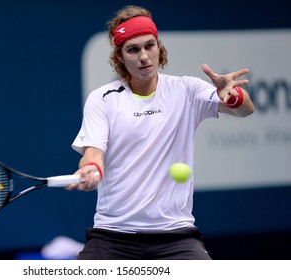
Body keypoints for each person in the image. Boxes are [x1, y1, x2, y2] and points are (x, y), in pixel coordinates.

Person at [67, 5, 255, 260]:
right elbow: (93, 153)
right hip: (113, 235)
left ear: (159, 47)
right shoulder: (102, 99)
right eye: (133, 49)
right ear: (120, 56)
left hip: (176, 235)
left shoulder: (186, 90)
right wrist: (91, 168)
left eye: (149, 46)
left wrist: (233, 97)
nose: (144, 56)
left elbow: (245, 111)